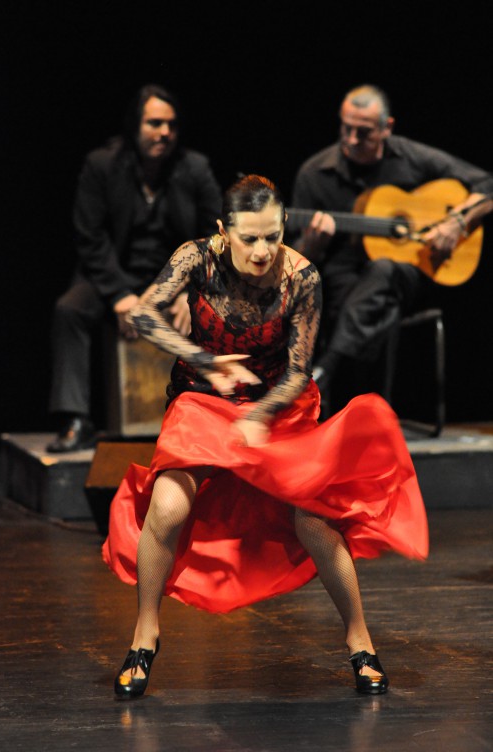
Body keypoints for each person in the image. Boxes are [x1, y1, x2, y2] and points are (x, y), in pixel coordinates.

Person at [102, 174, 429, 700]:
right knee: (166, 508)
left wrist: (260, 415)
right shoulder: (197, 258)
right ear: (223, 230)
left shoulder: (303, 276)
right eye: (249, 238)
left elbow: (301, 370)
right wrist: (207, 363)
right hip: (204, 400)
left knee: (315, 521)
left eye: (272, 236)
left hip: (280, 406)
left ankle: (359, 640)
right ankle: (145, 635)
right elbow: (143, 315)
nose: (262, 251)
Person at [288, 84, 493, 417]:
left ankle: (325, 372)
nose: (352, 139)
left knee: (384, 271)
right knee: (369, 302)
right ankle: (369, 418)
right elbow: (297, 257)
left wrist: (457, 222)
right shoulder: (315, 174)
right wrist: (311, 244)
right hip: (344, 281)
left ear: (387, 128)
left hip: (415, 275)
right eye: (346, 128)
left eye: (364, 132)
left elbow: (486, 184)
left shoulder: (409, 155)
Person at [46, 83, 223, 452]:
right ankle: (75, 418)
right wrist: (121, 295)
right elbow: (89, 236)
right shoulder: (103, 165)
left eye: (171, 125)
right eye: (155, 124)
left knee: (219, 309)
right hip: (115, 274)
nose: (164, 133)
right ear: (135, 126)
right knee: (70, 310)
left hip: (173, 278)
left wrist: (192, 291)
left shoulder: (194, 168)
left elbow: (215, 238)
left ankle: (206, 421)